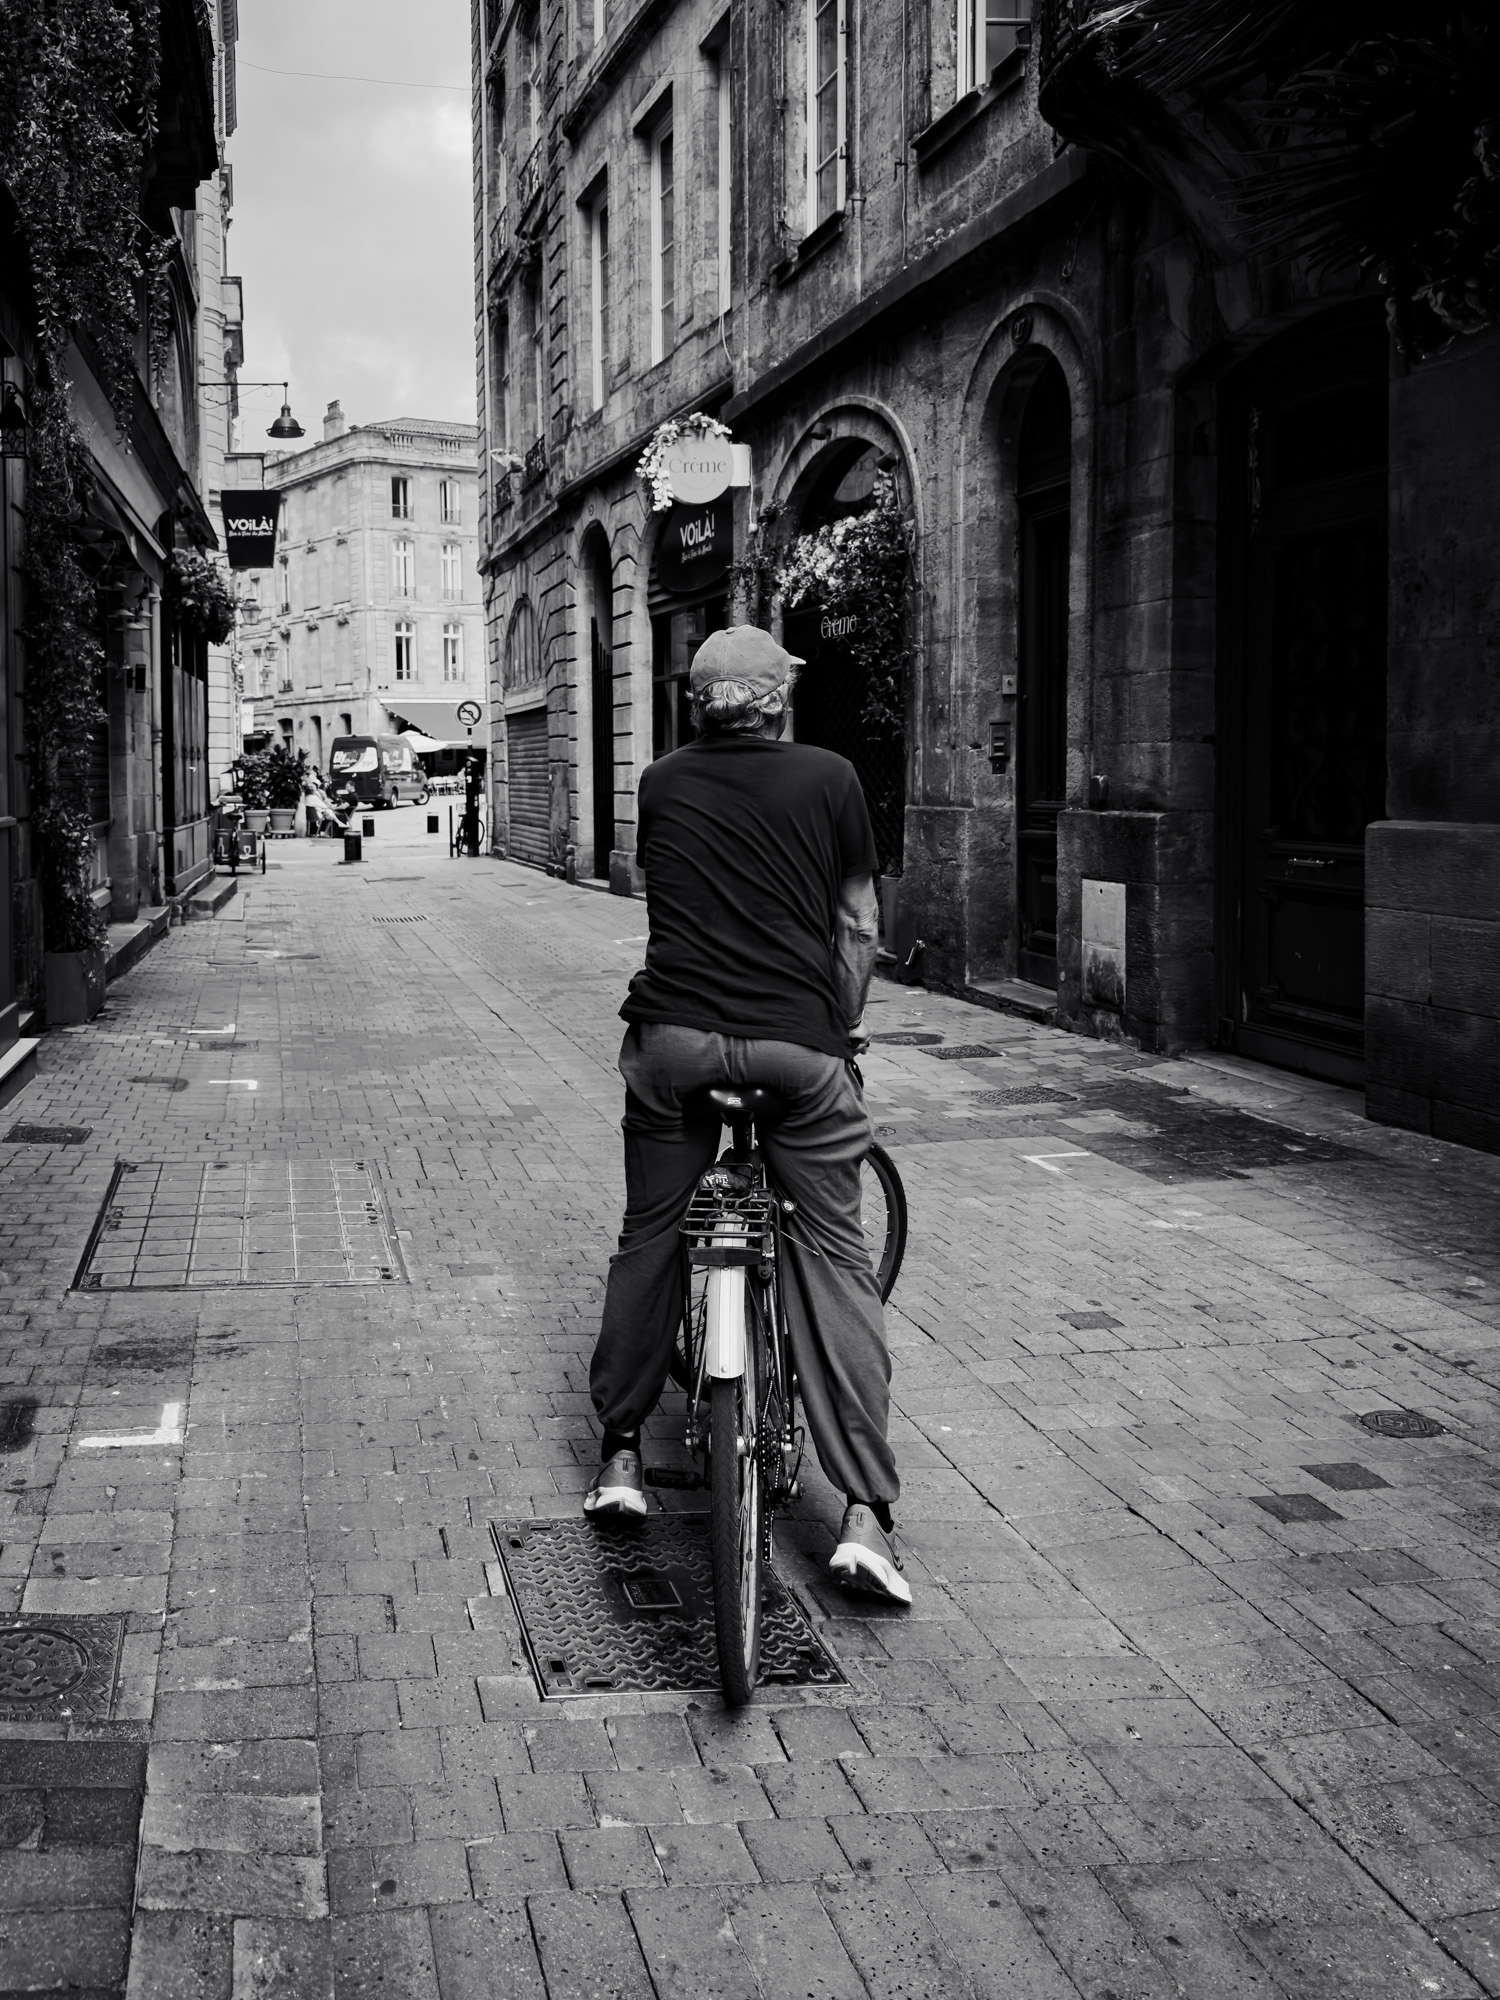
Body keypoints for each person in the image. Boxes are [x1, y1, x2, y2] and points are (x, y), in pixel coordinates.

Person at [584, 624, 909, 1606]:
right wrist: (836, 1030)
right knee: (836, 1259)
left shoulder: (663, 781)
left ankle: (622, 1457)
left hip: (675, 1045)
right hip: (797, 1051)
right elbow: (857, 925)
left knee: (651, 1231)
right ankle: (863, 1514)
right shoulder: (834, 778)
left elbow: (668, 903)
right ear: (776, 703)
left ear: (699, 703)